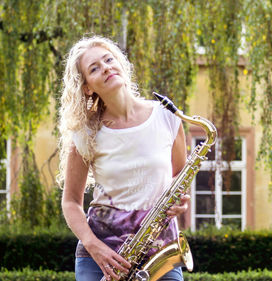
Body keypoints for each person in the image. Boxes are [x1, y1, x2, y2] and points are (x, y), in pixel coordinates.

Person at [58, 36, 189, 281]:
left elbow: (178, 178)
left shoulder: (167, 118)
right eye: (94, 68)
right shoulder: (86, 134)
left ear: (120, 64)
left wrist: (180, 202)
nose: (106, 67)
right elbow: (70, 202)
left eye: (109, 59)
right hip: (101, 257)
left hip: (160, 250)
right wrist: (93, 246)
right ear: (87, 87)